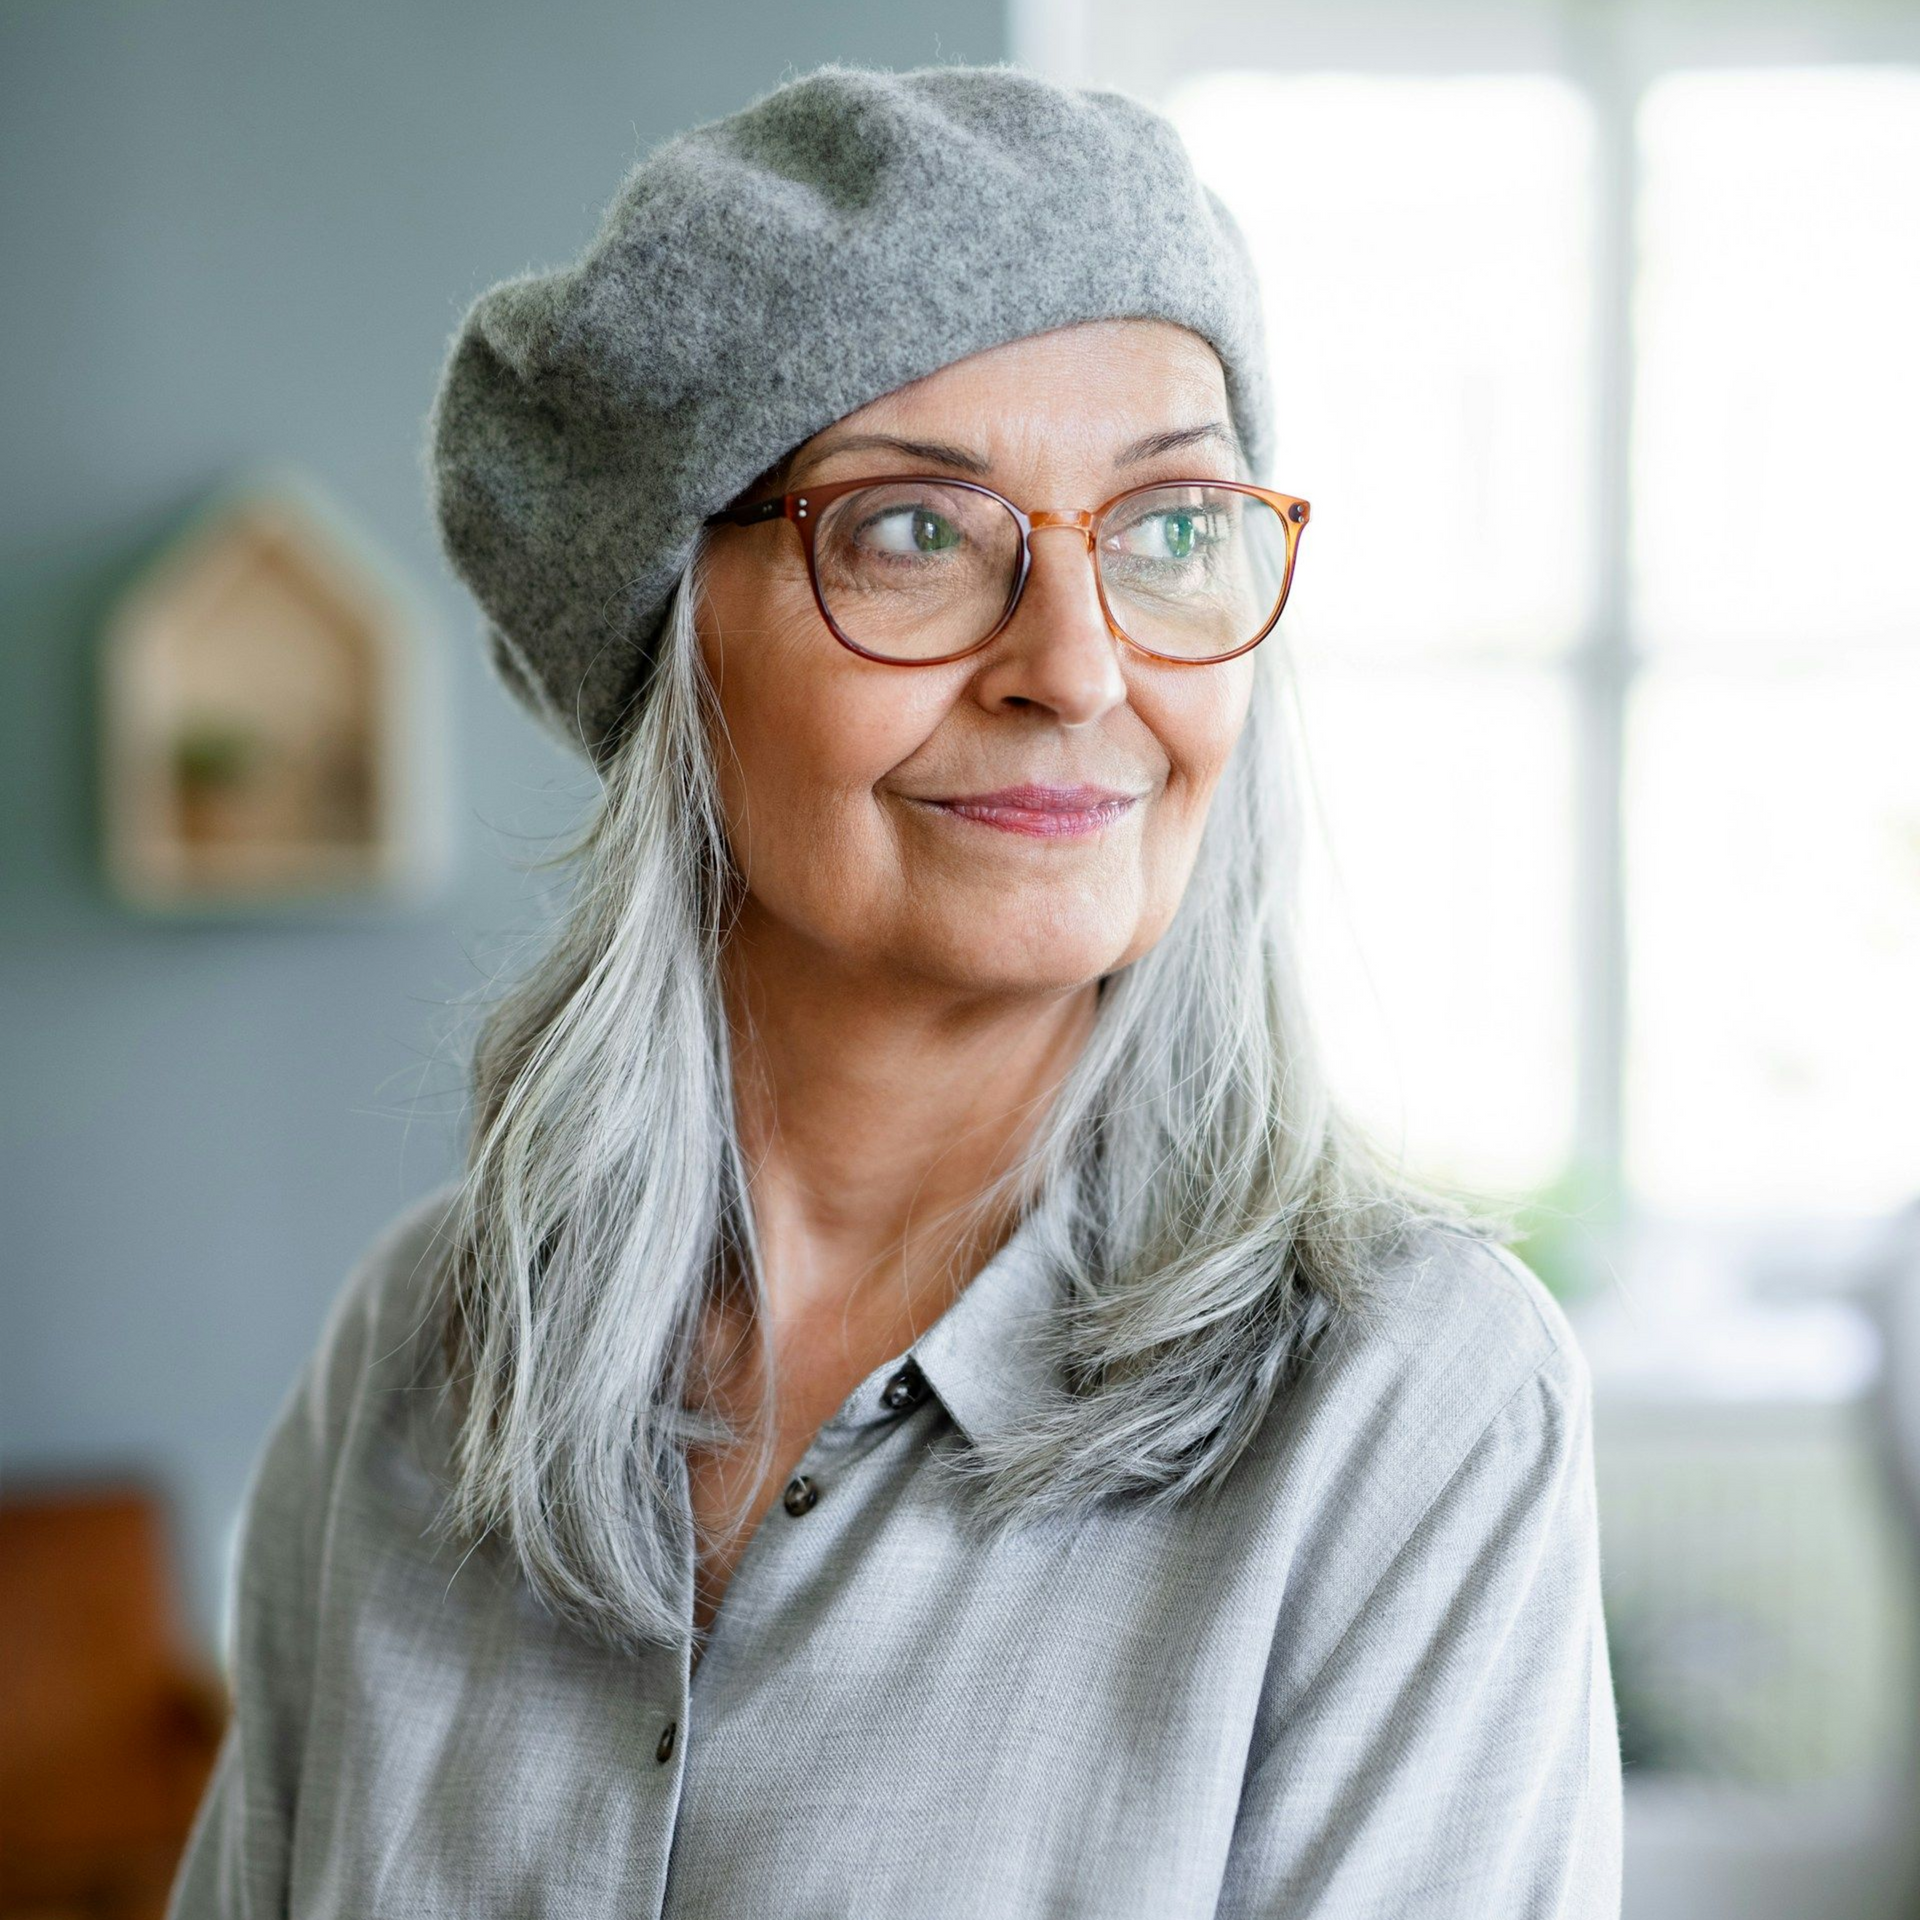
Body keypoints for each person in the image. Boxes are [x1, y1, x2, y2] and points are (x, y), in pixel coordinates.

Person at [168, 59, 1622, 1919]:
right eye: (914, 533)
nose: (1079, 668)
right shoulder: (418, 1362)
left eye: (1172, 527)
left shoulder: (1408, 1412)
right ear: (675, 648)